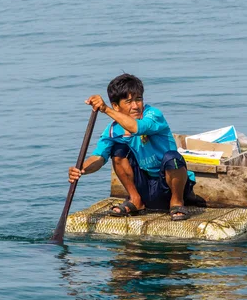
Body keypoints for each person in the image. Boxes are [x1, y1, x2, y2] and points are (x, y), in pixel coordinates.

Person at [68, 73, 196, 221]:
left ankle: (177, 203)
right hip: (145, 185)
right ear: (116, 106)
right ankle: (136, 200)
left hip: (168, 185)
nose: (135, 106)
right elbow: (99, 157)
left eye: (138, 99)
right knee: (118, 150)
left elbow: (137, 128)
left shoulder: (153, 114)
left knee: (172, 158)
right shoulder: (113, 130)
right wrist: (81, 169)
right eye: (128, 102)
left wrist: (106, 109)